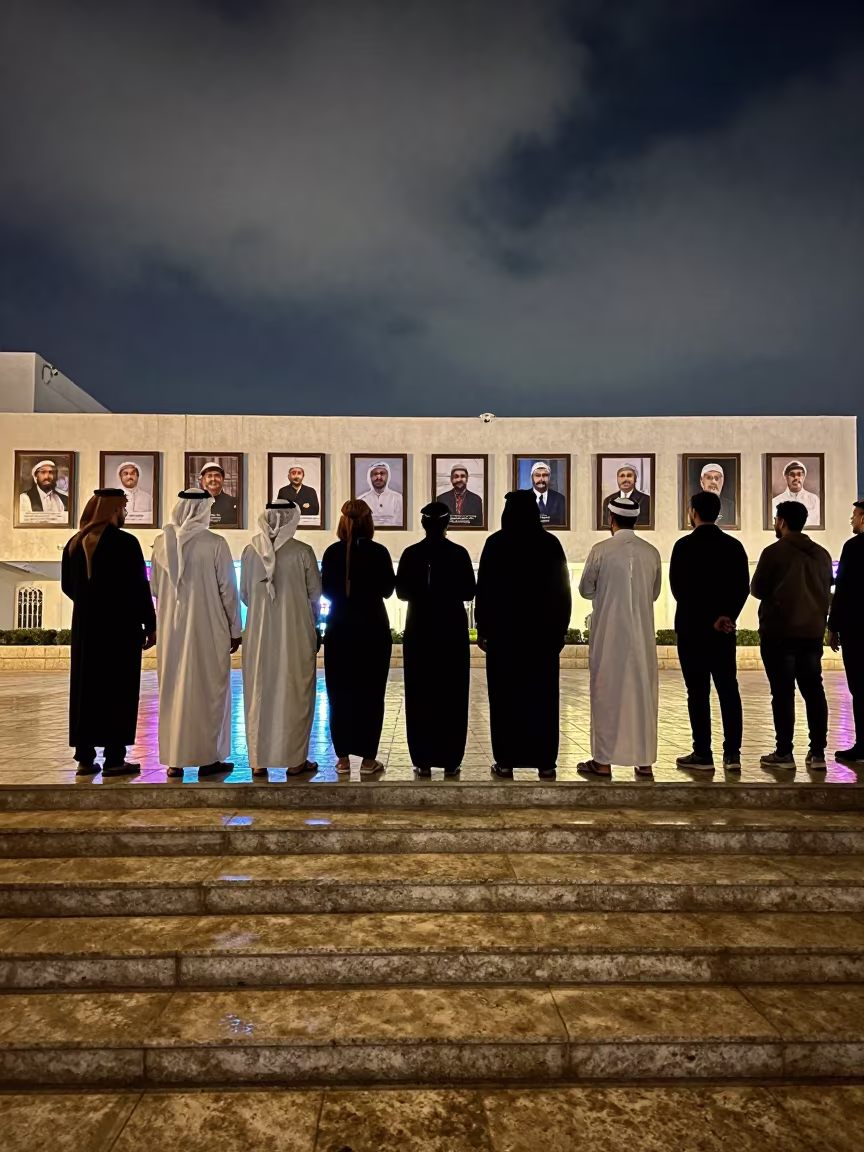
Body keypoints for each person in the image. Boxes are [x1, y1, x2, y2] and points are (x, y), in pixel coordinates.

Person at [476, 489, 571, 779]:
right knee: (541, 700)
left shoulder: (495, 544)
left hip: (505, 639)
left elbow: (485, 591)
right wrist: (560, 631)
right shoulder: (550, 544)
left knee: (505, 700)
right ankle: (545, 762)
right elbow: (563, 592)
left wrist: (483, 629)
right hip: (541, 639)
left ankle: (505, 761)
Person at [61, 488, 156, 776]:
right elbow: (139, 587)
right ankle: (115, 758)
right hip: (120, 629)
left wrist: (90, 603)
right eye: (123, 508)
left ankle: (85, 757)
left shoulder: (73, 544)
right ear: (112, 510)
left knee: (85, 687)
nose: (125, 513)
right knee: (118, 688)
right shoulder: (125, 542)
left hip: (86, 628)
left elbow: (68, 587)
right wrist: (149, 624)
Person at [151, 489, 242, 777]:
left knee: (173, 691)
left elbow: (154, 588)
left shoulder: (160, 543)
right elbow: (228, 591)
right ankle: (208, 759)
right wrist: (235, 630)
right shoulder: (215, 543)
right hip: (209, 630)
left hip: (171, 632)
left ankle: (174, 761)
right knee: (208, 692)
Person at [578, 497, 662, 777]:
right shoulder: (651, 553)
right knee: (642, 695)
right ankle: (644, 762)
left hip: (609, 637)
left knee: (607, 695)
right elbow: (654, 593)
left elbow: (585, 589)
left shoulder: (601, 550)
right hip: (641, 639)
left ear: (610, 520)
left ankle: (602, 762)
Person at [670, 490, 750, 771]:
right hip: (723, 633)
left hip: (692, 631)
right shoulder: (734, 547)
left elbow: (680, 590)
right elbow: (742, 587)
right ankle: (733, 755)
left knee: (698, 692)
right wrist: (725, 616)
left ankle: (702, 752)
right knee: (728, 689)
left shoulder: (683, 547)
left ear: (693, 512)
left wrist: (706, 618)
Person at [240, 500, 322, 776]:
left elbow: (245, 596)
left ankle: (258, 761)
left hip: (259, 633)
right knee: (294, 693)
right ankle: (295, 761)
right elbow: (315, 595)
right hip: (295, 633)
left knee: (259, 692)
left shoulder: (250, 552)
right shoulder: (303, 552)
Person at [396, 502, 476, 776]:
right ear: (447, 524)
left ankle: (423, 758)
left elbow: (402, 593)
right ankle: (451, 758)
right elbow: (468, 591)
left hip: (419, 631)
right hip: (451, 632)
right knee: (451, 694)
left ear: (423, 524)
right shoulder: (458, 553)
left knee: (421, 693)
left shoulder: (411, 554)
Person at [751, 500, 833, 770]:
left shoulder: (774, 552)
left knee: (783, 693)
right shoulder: (821, 554)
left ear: (782, 522)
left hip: (780, 633)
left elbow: (758, 589)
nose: (775, 523)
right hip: (811, 633)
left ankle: (784, 752)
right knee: (814, 691)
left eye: (776, 519)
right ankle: (818, 752)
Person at [321, 499, 396, 775]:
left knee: (339, 693)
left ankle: (341, 759)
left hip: (339, 628)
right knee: (371, 694)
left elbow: (326, 591)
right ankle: (367, 759)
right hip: (372, 630)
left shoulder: (331, 553)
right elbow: (388, 590)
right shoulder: (379, 552)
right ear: (369, 522)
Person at [828, 499, 864, 763]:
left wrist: (833, 627)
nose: (852, 520)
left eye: (855, 515)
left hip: (858, 629)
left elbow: (843, 590)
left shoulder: (854, 548)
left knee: (861, 688)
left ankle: (863, 745)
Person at [772, 460, 821, 524]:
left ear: (803, 477)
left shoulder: (814, 500)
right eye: (792, 474)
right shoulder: (775, 502)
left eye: (799, 474)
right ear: (785, 477)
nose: (796, 478)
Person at [357, 461, 403, 527]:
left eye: (382, 474)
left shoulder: (398, 498)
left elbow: (400, 523)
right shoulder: (361, 500)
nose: (379, 477)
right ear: (369, 477)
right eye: (375, 474)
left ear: (388, 476)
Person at [198, 462, 239, 527]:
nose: (213, 479)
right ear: (202, 480)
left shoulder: (234, 503)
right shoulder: (194, 503)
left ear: (223, 480)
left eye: (217, 475)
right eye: (209, 476)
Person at [527, 461, 566, 527]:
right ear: (531, 478)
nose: (541, 479)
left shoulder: (560, 499)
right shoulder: (522, 499)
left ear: (549, 477)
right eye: (537, 475)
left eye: (545, 475)